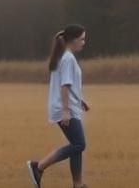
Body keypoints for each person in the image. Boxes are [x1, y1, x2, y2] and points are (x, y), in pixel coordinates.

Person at [26, 24, 90, 187]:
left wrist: (80, 100)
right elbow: (64, 86)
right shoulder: (68, 58)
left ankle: (77, 184)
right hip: (65, 108)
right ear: (73, 40)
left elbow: (68, 85)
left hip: (69, 106)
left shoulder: (65, 56)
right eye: (82, 39)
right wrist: (66, 111)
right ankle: (38, 167)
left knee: (76, 145)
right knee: (79, 144)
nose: (83, 42)